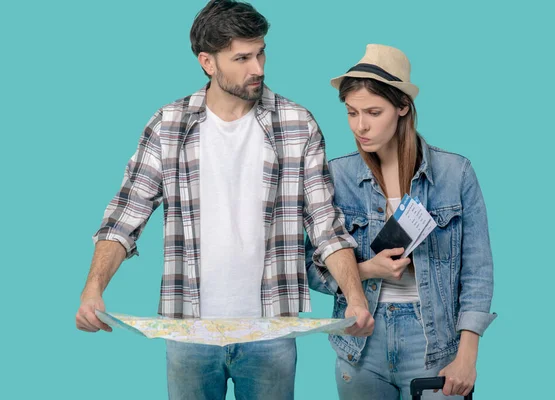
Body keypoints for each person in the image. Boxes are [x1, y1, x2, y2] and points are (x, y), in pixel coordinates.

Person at [74, 1, 374, 399]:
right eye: (243, 57)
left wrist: (355, 297)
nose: (259, 68)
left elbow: (326, 224)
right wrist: (93, 289)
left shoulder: (297, 124)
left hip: (271, 329)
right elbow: (126, 216)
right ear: (208, 62)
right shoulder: (168, 126)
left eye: (261, 52)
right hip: (189, 329)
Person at [306, 44, 496, 399]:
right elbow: (307, 266)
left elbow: (478, 272)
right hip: (361, 345)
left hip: (434, 344)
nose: (360, 126)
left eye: (373, 112)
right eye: (351, 112)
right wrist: (366, 270)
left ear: (403, 107)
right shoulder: (337, 176)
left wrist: (467, 356)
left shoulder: (455, 173)